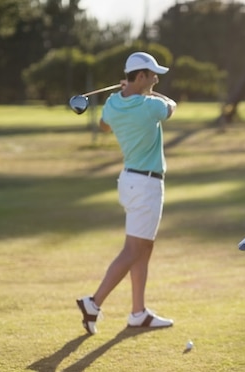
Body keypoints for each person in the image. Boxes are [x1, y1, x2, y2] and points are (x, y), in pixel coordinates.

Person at [76, 51, 177, 335]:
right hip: (146, 186)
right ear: (141, 76)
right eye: (153, 74)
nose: (157, 79)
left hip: (130, 181)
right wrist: (144, 95)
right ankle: (93, 303)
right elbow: (171, 107)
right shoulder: (150, 106)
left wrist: (123, 96)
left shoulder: (112, 104)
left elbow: (104, 126)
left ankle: (137, 312)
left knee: (143, 248)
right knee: (134, 249)